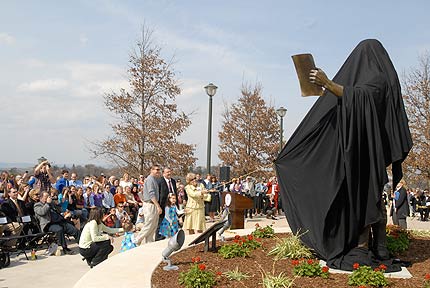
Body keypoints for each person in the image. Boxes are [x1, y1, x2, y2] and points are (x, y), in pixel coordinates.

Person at [275, 39, 412, 272]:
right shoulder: (377, 80)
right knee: (368, 198)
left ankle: (365, 248)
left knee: (369, 198)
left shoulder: (377, 80)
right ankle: (374, 248)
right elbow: (353, 101)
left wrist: (328, 83)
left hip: (368, 153)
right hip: (363, 150)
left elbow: (361, 98)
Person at [135, 165, 162, 245]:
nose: (158, 171)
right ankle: (136, 240)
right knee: (149, 224)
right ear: (152, 170)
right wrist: (158, 206)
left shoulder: (154, 179)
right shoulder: (150, 179)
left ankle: (149, 243)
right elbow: (151, 194)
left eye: (159, 170)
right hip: (150, 204)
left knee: (153, 225)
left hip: (153, 204)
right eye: (156, 169)